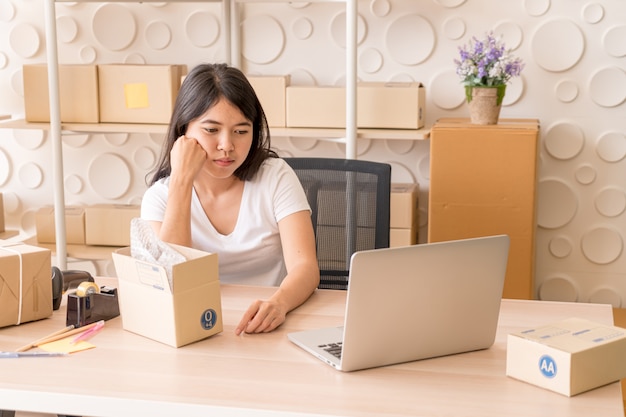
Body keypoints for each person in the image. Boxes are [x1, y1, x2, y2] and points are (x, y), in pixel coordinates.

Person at [141, 63, 320, 335]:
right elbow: (169, 280)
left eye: (241, 131)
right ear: (183, 132)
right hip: (195, 326)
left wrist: (279, 303)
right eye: (211, 130)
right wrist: (181, 181)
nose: (227, 145)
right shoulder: (159, 197)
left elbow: (305, 267)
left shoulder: (276, 177)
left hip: (268, 324)